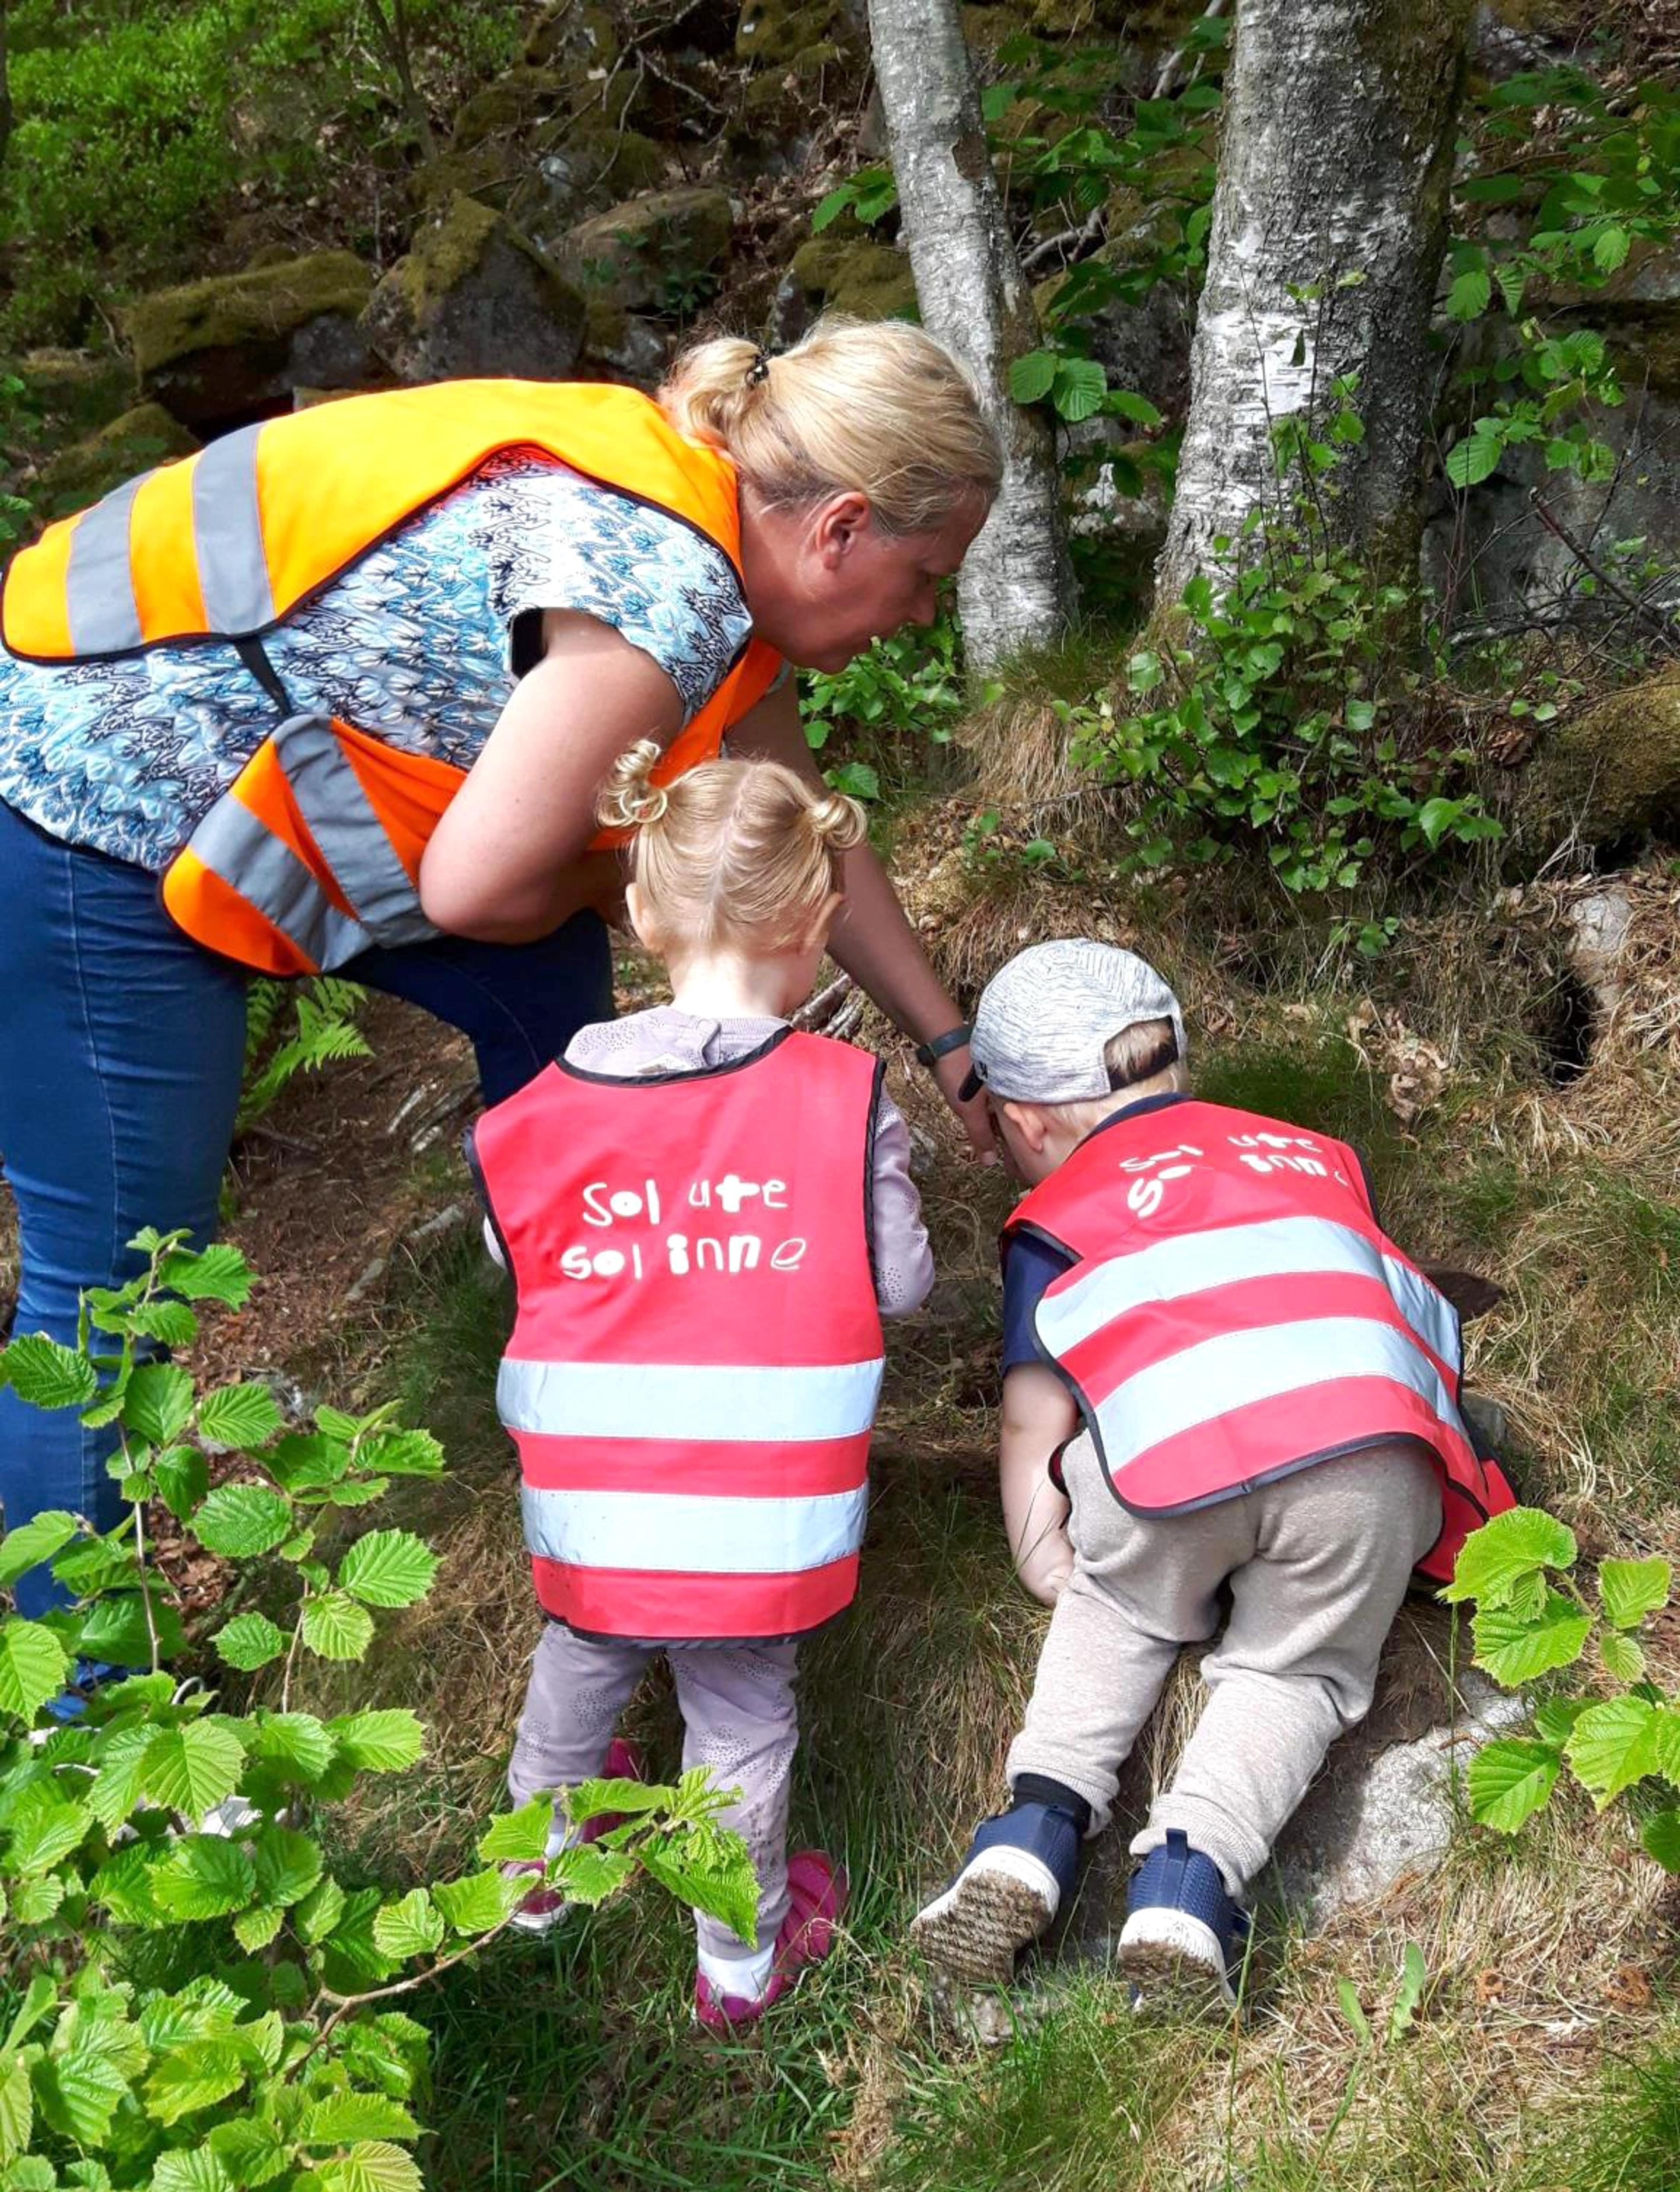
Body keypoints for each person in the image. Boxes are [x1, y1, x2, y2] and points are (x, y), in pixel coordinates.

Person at [0, 320, 998, 1645]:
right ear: (843, 531)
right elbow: (476, 889)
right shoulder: (671, 590)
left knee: (555, 1000)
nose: (925, 611)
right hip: (78, 808)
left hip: (206, 782)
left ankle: (614, 1356)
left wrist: (946, 1041)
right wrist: (616, 880)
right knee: (119, 1281)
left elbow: (807, 823)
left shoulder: (715, 536)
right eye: (926, 575)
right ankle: (77, 1708)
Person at [909, 941, 1516, 2008]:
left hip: (1180, 1469)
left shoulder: (1059, 1213)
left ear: (1029, 1121)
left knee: (1119, 1605)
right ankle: (1191, 1884)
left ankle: (1032, 1828)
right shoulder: (1312, 1152)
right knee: (1297, 1675)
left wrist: (1046, 1547)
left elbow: (1031, 1414)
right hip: (1370, 1464)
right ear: (1175, 1065)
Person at [469, 742, 932, 2029]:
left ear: (640, 911)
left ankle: (533, 1880)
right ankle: (739, 1965)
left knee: (581, 1659)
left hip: (593, 1500)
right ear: (820, 924)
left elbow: (509, 1241)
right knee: (738, 1712)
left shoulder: (546, 1098)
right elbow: (900, 1283)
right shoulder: (844, 1096)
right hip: (757, 1512)